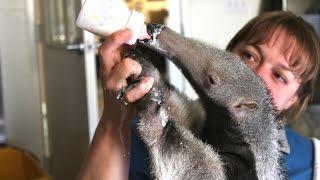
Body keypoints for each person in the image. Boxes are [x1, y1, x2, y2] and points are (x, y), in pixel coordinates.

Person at [78, 11, 320, 180]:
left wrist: (158, 123)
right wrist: (113, 119)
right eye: (248, 55)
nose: (255, 74)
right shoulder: (135, 124)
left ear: (294, 99)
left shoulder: (314, 163)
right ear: (229, 52)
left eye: (279, 76)